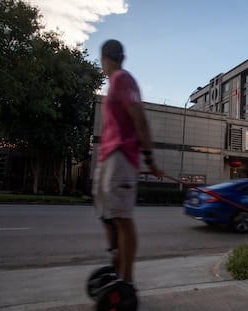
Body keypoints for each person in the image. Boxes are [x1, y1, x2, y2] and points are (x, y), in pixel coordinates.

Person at [92, 39, 163, 287]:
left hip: (121, 158)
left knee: (121, 218)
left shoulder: (123, 79)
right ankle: (115, 263)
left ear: (104, 59)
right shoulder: (113, 84)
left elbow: (140, 120)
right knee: (107, 215)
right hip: (107, 158)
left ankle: (127, 282)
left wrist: (150, 159)